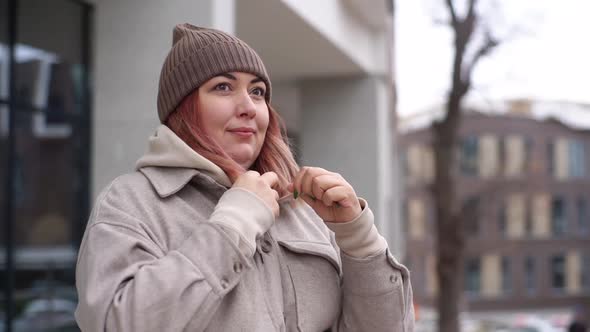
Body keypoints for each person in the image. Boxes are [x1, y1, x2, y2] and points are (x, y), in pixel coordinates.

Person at [75, 23, 414, 331]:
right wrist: (232, 226)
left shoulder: (302, 211)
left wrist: (360, 241)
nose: (249, 107)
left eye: (257, 92)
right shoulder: (132, 203)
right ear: (183, 109)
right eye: (223, 87)